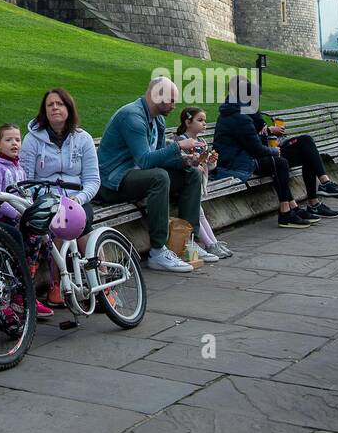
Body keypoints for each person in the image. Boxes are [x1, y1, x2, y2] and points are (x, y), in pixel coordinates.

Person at [96, 74, 215, 272]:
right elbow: (145, 160)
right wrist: (178, 147)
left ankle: (186, 242)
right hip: (113, 181)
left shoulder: (158, 120)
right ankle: (158, 252)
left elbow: (160, 157)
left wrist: (186, 160)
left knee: (191, 174)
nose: (174, 106)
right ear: (156, 95)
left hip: (137, 176)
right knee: (159, 177)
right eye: (171, 100)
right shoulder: (132, 116)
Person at [214, 77, 338, 226]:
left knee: (305, 144)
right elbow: (255, 147)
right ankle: (289, 210)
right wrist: (273, 148)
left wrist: (267, 133)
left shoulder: (243, 111)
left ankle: (316, 198)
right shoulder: (239, 116)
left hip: (257, 152)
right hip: (244, 160)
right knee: (280, 162)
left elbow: (255, 135)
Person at [19, 87, 99, 305]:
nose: (55, 108)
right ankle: (57, 282)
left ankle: (101, 282)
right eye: (50, 105)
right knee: (60, 221)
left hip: (77, 198)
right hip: (47, 200)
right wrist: (41, 201)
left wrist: (79, 198)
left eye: (59, 104)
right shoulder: (32, 140)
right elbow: (25, 179)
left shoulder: (83, 139)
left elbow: (93, 179)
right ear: (44, 111)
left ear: (68, 108)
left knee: (84, 228)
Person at [0, 123, 55, 318]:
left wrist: (33, 212)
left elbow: (25, 197)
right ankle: (20, 295)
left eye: (17, 139)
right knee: (32, 239)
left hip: (20, 218)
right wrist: (19, 215)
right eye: (8, 140)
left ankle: (27, 291)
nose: (14, 143)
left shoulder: (19, 168)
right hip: (2, 220)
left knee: (47, 237)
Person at [175, 107, 231, 258]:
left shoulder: (202, 142)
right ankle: (210, 244)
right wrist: (196, 162)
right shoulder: (181, 141)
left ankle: (213, 242)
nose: (204, 124)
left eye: (205, 120)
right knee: (198, 214)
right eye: (200, 120)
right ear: (188, 122)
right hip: (186, 185)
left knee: (200, 214)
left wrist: (211, 162)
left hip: (200, 184)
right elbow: (183, 164)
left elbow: (207, 167)